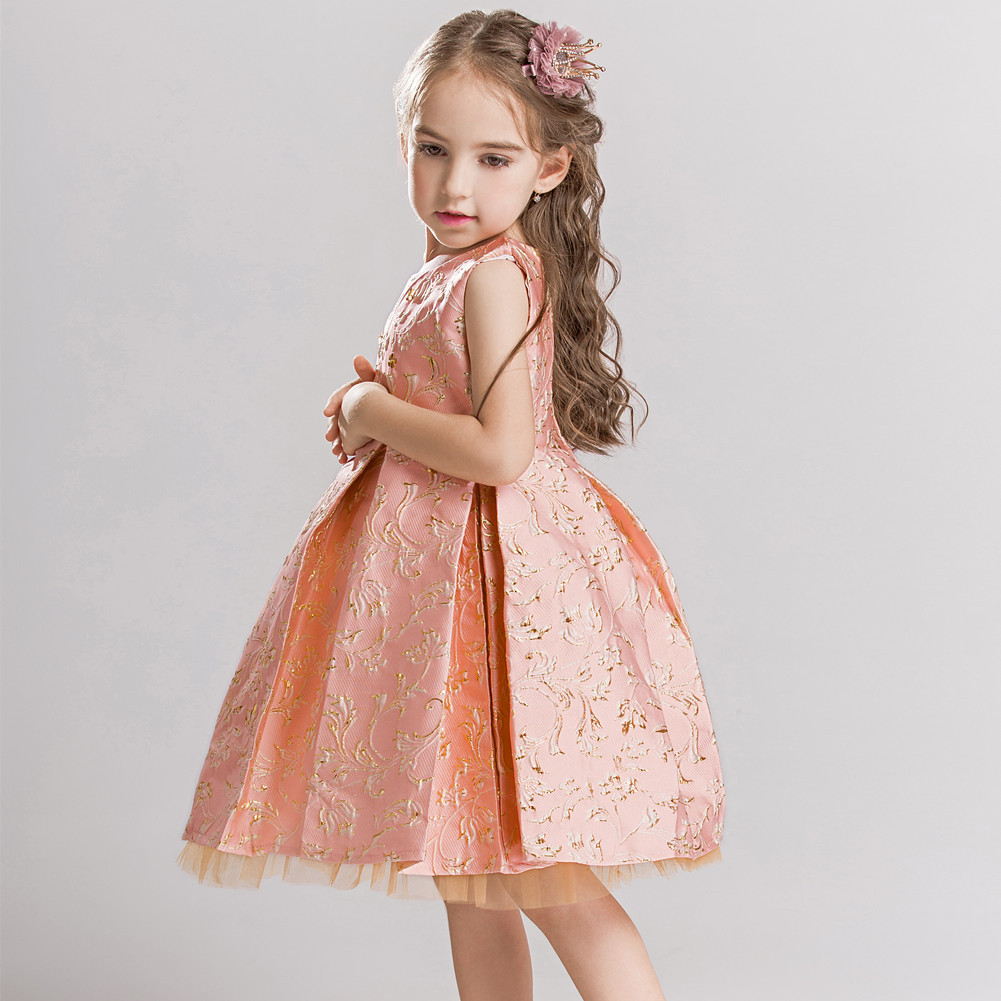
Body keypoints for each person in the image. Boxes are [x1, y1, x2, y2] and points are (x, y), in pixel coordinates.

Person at [178, 10, 725, 1000]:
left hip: (498, 593)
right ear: (403, 144)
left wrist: (370, 410)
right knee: (470, 878)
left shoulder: (493, 279)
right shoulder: (457, 271)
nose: (454, 185)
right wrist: (388, 406)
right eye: (432, 150)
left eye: (491, 158)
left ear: (549, 168)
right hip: (452, 595)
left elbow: (499, 451)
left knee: (547, 878)